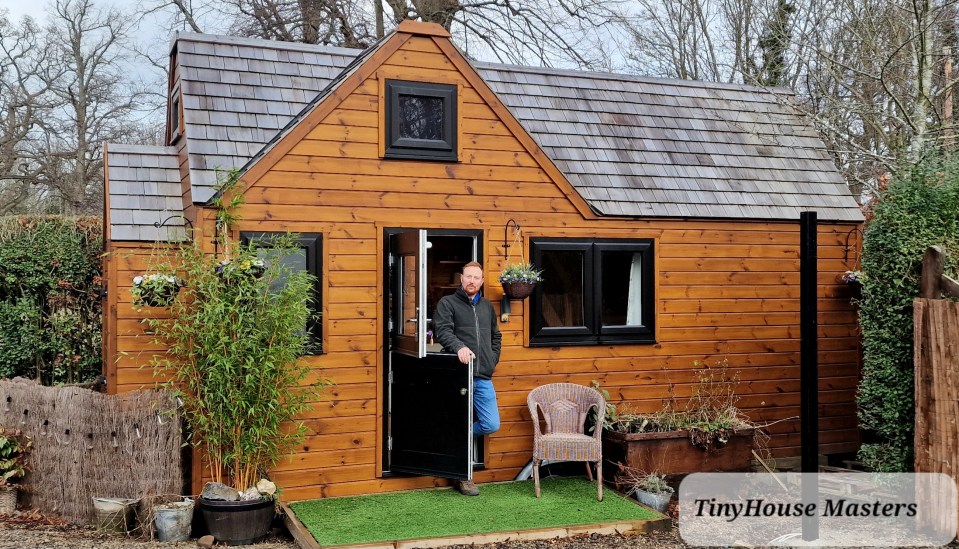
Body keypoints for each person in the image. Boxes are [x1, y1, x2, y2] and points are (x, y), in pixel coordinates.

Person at [433, 261, 502, 496]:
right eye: (468, 276)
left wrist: (492, 359)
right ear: (461, 279)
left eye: (477, 277)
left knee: (491, 423)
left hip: (482, 375)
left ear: (482, 281)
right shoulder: (448, 303)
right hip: (459, 377)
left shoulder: (486, 307)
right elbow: (442, 331)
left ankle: (454, 439)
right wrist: (459, 347)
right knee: (458, 420)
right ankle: (463, 477)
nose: (472, 281)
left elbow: (496, 336)